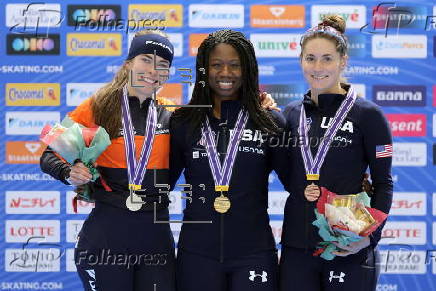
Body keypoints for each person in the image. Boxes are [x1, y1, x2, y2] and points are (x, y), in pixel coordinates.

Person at [40, 29, 176, 291]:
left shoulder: (173, 114)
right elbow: (49, 155)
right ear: (128, 64)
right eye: (146, 59)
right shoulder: (96, 107)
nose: (153, 70)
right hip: (107, 238)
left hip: (156, 238)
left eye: (162, 65)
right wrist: (68, 171)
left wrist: (258, 105)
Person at [279, 15, 393, 291]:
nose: (318, 67)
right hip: (297, 248)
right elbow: (285, 173)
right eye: (310, 58)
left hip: (347, 246)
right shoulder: (290, 114)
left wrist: (368, 238)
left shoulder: (368, 115)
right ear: (301, 60)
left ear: (343, 61)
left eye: (327, 58)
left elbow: (383, 183)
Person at [169, 29, 288, 291]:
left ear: (248, 70)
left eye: (235, 65)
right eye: (216, 65)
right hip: (197, 255)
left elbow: (297, 182)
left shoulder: (270, 122)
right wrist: (101, 182)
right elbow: (159, 182)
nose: (226, 73)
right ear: (203, 70)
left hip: (254, 254)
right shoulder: (183, 122)